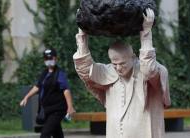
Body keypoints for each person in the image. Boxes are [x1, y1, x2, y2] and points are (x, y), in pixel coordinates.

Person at [73, 8, 171, 138]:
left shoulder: (152, 70)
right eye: (115, 64)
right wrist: (82, 36)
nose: (118, 68)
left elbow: (149, 70)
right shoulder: (109, 72)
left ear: (134, 57)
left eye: (123, 63)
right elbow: (85, 71)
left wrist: (146, 33)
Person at [20, 48, 75, 138]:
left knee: (45, 134)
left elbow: (66, 90)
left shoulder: (59, 73)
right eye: (46, 59)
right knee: (57, 134)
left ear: (55, 59)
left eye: (51, 58)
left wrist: (70, 107)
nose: (49, 61)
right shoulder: (44, 73)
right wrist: (26, 97)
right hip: (47, 109)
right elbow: (37, 87)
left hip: (57, 109)